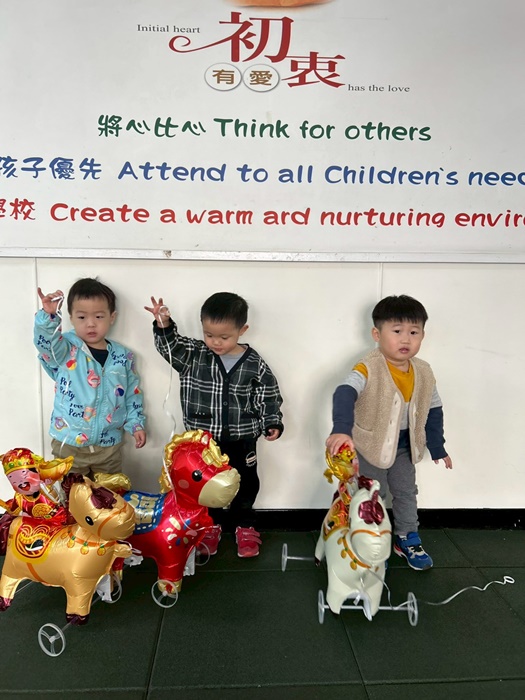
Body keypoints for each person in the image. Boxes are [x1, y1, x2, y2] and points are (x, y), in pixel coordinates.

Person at [145, 291, 284, 558]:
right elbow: (169, 347)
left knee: (246, 483)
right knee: (205, 486)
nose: (216, 342)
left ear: (242, 331)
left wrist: (272, 421)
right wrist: (164, 324)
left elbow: (268, 394)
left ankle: (244, 524)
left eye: (224, 337)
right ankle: (211, 525)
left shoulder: (254, 363)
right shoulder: (194, 354)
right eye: (209, 335)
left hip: (242, 439)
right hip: (204, 443)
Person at [326, 294, 452, 571]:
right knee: (372, 495)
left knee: (406, 493)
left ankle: (407, 537)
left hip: (406, 448)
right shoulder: (368, 367)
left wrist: (437, 446)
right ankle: (367, 539)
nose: (406, 339)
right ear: (377, 334)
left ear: (423, 335)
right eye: (397, 331)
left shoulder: (424, 371)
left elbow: (434, 409)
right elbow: (344, 393)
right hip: (370, 447)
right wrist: (341, 430)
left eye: (414, 332)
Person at [34, 278, 146, 480]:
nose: (91, 323)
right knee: (72, 494)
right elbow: (46, 346)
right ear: (71, 318)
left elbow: (132, 394)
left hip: (109, 445)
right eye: (82, 317)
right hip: (69, 443)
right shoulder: (66, 349)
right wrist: (49, 317)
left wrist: (135, 424)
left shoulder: (123, 357)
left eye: (99, 316)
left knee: (109, 494)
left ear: (112, 317)